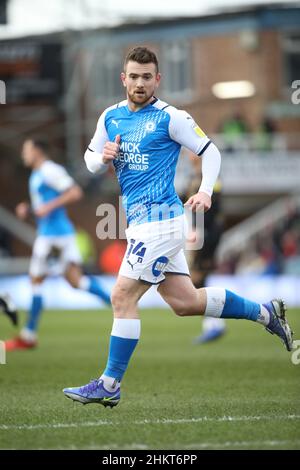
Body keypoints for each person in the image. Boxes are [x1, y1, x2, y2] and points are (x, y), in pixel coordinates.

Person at [63, 47, 293, 408]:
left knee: (122, 296)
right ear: (123, 79)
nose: (140, 83)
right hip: (138, 224)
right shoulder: (110, 116)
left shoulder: (172, 117)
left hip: (163, 223)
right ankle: (266, 313)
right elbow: (90, 159)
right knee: (185, 303)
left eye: (147, 76)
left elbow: (210, 151)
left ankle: (109, 384)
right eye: (133, 76)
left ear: (158, 79)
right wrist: (101, 157)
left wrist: (204, 192)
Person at [5, 138, 111, 351]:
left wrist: (46, 207)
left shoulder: (49, 170)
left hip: (53, 237)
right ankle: (117, 303)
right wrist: (31, 210)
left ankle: (28, 335)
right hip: (55, 234)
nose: (24, 154)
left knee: (36, 281)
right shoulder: (37, 174)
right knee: (76, 282)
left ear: (37, 151)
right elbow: (45, 208)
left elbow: (74, 192)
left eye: (27, 149)